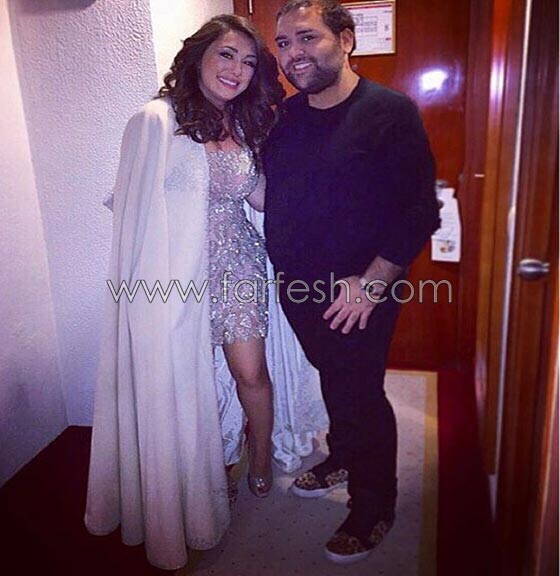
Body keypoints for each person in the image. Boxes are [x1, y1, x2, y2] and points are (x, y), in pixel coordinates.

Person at [84, 15, 285, 570]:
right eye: (227, 54)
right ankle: (191, 487)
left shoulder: (242, 124)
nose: (237, 70)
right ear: (198, 56)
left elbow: (262, 199)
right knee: (178, 383)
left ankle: (259, 457)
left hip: (237, 264)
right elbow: (132, 206)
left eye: (249, 62)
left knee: (250, 373)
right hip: (175, 275)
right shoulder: (157, 120)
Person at [263, 0, 441, 565]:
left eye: (307, 37)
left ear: (345, 39)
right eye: (283, 42)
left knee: (360, 392)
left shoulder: (389, 112)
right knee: (335, 379)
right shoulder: (286, 118)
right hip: (298, 287)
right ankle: (342, 455)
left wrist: (372, 282)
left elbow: (420, 209)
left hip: (360, 289)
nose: (293, 54)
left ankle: (374, 505)